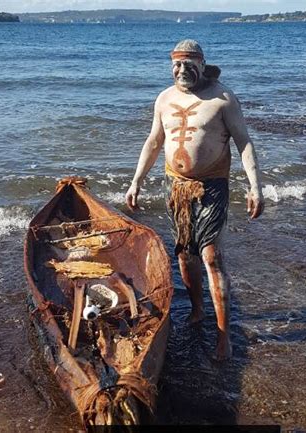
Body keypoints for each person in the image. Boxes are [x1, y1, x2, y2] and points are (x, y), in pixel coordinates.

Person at [125, 39, 264, 361]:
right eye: (177, 64)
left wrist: (255, 187)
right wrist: (136, 182)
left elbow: (244, 143)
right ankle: (198, 311)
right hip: (176, 186)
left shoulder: (223, 99)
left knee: (212, 257)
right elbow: (154, 141)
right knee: (185, 256)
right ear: (171, 65)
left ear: (202, 64)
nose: (183, 70)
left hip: (212, 186)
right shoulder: (164, 99)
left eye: (190, 64)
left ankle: (223, 335)